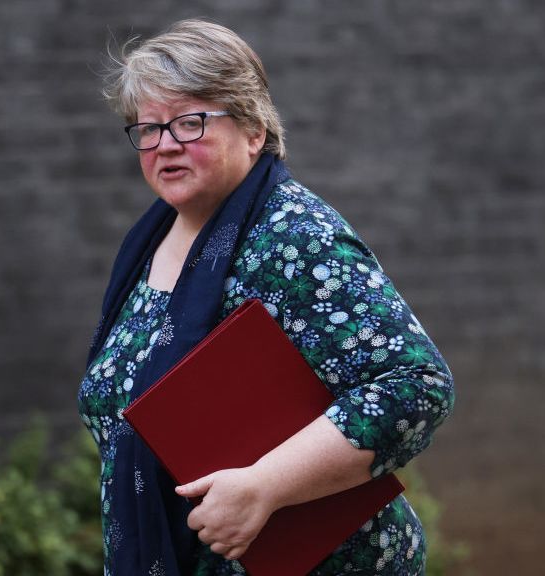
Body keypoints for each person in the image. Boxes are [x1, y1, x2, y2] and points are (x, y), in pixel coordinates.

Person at [79, 19, 454, 576]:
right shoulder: (150, 242)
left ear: (254, 130)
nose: (165, 145)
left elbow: (416, 386)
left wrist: (264, 486)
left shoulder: (295, 236)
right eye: (149, 128)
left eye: (189, 122)